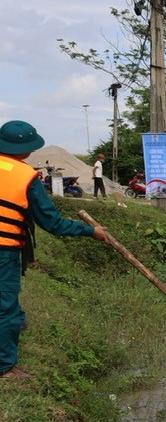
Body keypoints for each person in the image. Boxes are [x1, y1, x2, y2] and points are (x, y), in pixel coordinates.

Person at [0, 120, 108, 380]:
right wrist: (90, 231)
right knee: (5, 307)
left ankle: (16, 325)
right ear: (25, 149)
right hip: (3, 251)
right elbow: (52, 222)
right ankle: (5, 367)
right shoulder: (25, 176)